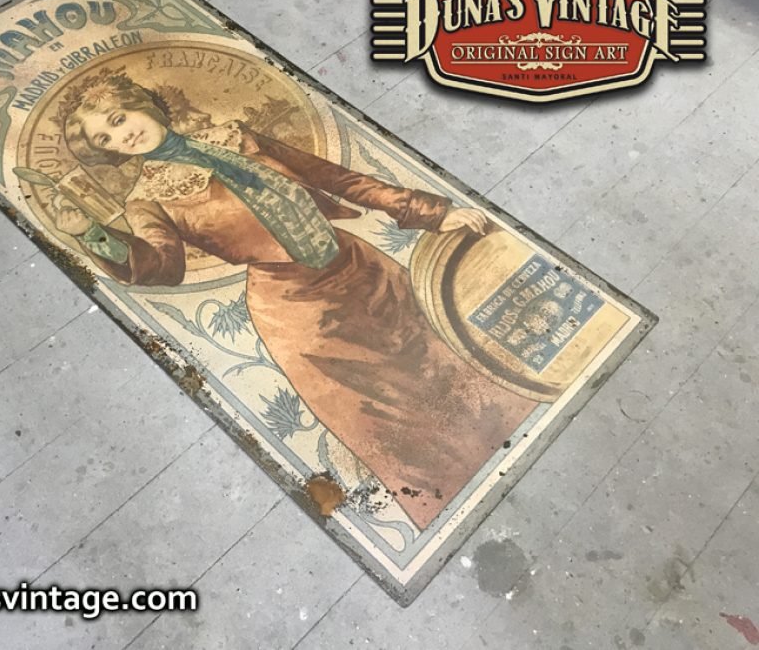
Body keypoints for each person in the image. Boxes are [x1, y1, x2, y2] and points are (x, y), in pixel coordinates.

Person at [50, 68, 535, 529]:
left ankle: (521, 461)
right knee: (390, 426)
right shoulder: (146, 199)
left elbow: (336, 178)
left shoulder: (237, 137)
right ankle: (454, 506)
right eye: (106, 140)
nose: (122, 137)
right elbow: (163, 266)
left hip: (365, 271)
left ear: (141, 104)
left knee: (450, 371)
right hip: (301, 317)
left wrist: (430, 212)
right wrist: (94, 235)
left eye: (119, 120)